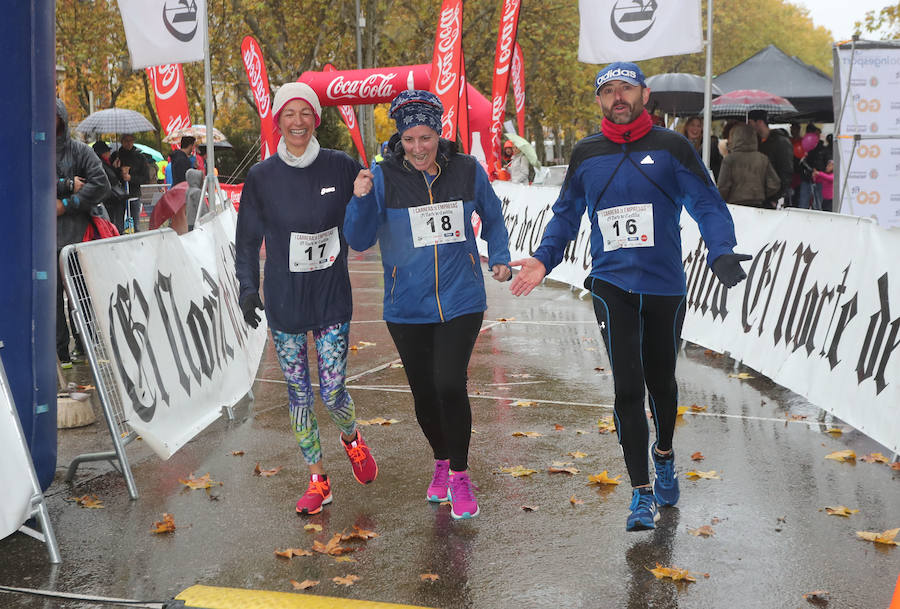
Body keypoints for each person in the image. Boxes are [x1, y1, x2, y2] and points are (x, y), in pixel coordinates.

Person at [508, 62, 750, 531]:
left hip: (663, 286)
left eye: (626, 89)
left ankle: (664, 455)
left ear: (645, 94)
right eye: (608, 91)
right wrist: (544, 258)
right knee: (626, 386)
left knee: (661, 381)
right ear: (599, 100)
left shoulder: (671, 146)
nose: (618, 97)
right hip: (610, 283)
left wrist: (720, 250)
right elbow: (565, 215)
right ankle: (641, 493)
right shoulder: (587, 153)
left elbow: (707, 203)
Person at [344, 89, 512, 520]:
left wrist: (500, 257)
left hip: (462, 299)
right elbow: (359, 241)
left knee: (450, 384)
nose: (418, 148)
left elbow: (493, 217)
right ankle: (440, 461)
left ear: (439, 133)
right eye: (409, 139)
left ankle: (460, 474)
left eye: (426, 138)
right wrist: (361, 199)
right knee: (424, 393)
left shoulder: (467, 171)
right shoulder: (383, 177)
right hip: (407, 304)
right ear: (399, 138)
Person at [235, 82, 377, 516]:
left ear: (317, 118)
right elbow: (246, 241)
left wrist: (364, 197)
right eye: (288, 114)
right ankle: (318, 480)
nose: (297, 121)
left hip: (331, 298)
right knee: (298, 394)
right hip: (286, 303)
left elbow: (362, 226)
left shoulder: (340, 166)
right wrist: (246, 287)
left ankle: (351, 437)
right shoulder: (262, 177)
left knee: (332, 393)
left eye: (305, 113)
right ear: (277, 120)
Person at [55, 98, 110, 367]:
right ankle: (60, 352)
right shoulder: (33, 151)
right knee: (51, 299)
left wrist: (67, 205)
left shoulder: (78, 151)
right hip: (44, 242)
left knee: (80, 294)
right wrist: (66, 185)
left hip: (77, 240)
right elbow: (28, 183)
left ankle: (87, 343)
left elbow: (101, 184)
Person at [716, 123, 781, 208]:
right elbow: (775, 184)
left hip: (735, 206)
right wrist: (762, 193)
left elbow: (723, 187)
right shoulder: (763, 158)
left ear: (734, 138)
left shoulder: (730, 159)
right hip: (758, 205)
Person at [748, 109, 793, 208]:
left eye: (750, 122)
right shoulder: (756, 142)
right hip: (759, 197)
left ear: (759, 122)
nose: (748, 126)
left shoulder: (781, 142)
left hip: (774, 198)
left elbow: (786, 171)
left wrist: (776, 197)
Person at [110, 133, 151, 231]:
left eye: (130, 141)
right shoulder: (116, 156)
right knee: (118, 225)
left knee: (135, 225)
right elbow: (110, 177)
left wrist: (131, 178)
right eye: (126, 141)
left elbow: (146, 178)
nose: (128, 143)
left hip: (134, 195)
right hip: (118, 196)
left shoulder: (140, 157)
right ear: (121, 141)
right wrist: (114, 168)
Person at [92, 141, 130, 233]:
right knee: (114, 223)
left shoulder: (105, 163)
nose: (109, 153)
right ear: (102, 153)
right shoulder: (101, 165)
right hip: (112, 199)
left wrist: (115, 168)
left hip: (112, 198)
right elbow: (111, 179)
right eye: (107, 151)